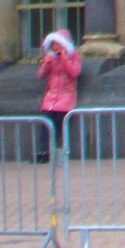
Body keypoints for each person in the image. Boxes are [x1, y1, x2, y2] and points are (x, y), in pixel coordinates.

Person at [37, 29, 81, 161]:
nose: (54, 46)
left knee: (57, 125)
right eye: (53, 44)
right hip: (51, 98)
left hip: (65, 97)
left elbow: (75, 72)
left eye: (57, 44)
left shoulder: (74, 56)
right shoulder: (51, 57)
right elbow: (41, 75)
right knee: (46, 125)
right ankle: (43, 151)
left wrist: (65, 58)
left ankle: (52, 152)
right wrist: (46, 63)